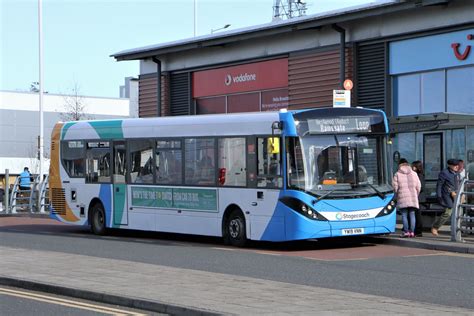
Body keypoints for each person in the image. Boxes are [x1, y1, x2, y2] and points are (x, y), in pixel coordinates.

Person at [431, 159, 461, 236]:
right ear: (449, 165)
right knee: (448, 212)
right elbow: (439, 185)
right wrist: (439, 196)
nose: (456, 167)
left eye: (457, 165)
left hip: (456, 195)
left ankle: (457, 230)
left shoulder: (457, 173)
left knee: (459, 212)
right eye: (455, 165)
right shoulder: (444, 173)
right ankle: (435, 227)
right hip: (447, 195)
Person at [392, 158, 421, 238]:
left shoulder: (397, 174)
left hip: (402, 197)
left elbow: (395, 187)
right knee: (412, 214)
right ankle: (412, 232)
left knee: (404, 215)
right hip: (413, 197)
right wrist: (416, 194)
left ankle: (406, 232)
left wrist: (397, 195)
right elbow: (419, 186)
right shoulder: (414, 173)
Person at [411, 160, 426, 237]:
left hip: (418, 198)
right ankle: (416, 230)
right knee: (416, 214)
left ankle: (418, 231)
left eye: (413, 166)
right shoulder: (418, 175)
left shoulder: (419, 175)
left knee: (417, 215)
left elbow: (421, 187)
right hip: (418, 197)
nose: (412, 167)